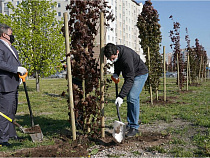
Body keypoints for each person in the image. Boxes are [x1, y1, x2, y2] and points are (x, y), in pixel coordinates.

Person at [104, 43, 148, 137]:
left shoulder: (126, 57)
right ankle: (130, 123)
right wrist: (116, 73)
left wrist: (120, 96)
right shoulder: (115, 52)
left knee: (132, 97)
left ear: (117, 52)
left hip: (140, 74)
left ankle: (134, 127)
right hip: (132, 74)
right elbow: (118, 63)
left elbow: (130, 79)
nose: (112, 60)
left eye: (113, 58)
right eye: (110, 59)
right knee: (130, 98)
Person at [0, 23, 27, 146]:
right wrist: (16, 69)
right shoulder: (0, 46)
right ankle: (3, 139)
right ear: (4, 34)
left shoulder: (11, 47)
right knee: (5, 112)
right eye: (11, 34)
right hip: (4, 85)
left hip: (13, 83)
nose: (12, 36)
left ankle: (11, 134)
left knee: (12, 111)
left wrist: (19, 76)